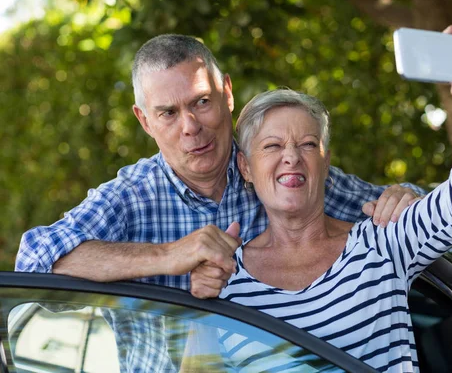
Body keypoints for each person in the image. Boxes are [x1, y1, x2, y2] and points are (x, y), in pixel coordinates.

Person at [15, 33, 422, 296]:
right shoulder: (131, 197)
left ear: (226, 93)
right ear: (144, 121)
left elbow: (418, 219)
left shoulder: (282, 173)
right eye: (168, 113)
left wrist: (403, 197)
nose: (190, 127)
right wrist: (168, 256)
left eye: (201, 102)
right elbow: (33, 260)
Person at [214, 19, 452, 373]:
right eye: (272, 146)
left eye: (307, 144)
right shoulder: (226, 278)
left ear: (325, 161)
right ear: (245, 167)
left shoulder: (379, 243)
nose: (291, 156)